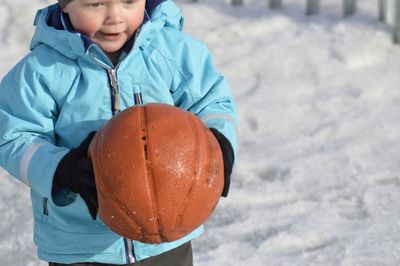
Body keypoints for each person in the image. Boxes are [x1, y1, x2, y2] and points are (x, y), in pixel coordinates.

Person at [0, 0, 237, 265]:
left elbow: (212, 102)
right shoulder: (41, 71)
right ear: (66, 6)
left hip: (168, 232)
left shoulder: (172, 51)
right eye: (96, 3)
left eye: (128, 1)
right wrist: (61, 169)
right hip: (82, 244)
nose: (114, 16)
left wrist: (218, 142)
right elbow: (13, 135)